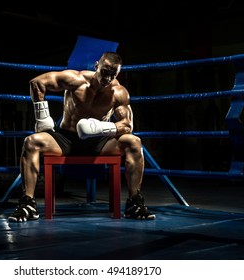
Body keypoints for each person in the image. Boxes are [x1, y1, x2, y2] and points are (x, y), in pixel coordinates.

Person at [8, 52, 155, 222]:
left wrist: (99, 127)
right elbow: (37, 82)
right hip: (66, 139)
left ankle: (134, 203)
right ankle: (28, 204)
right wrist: (42, 116)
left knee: (134, 142)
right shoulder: (76, 79)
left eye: (112, 74)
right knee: (31, 142)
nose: (107, 78)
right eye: (105, 72)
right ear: (96, 66)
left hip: (99, 142)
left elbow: (128, 125)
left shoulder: (118, 92)